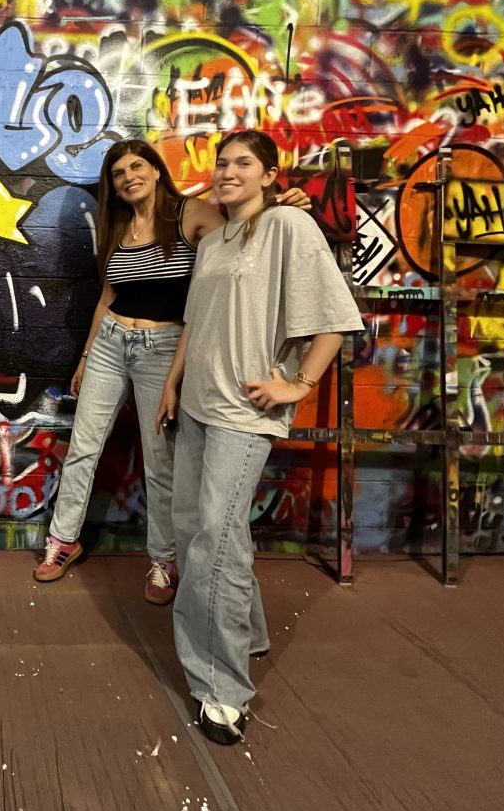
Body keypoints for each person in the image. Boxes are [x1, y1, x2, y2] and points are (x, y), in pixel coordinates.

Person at [33, 139, 310, 605]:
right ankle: (62, 542)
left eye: (136, 166)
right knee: (83, 445)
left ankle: (163, 561)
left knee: (159, 459)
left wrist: (280, 203)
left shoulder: (192, 214)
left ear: (157, 170)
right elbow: (108, 295)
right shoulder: (116, 225)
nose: (128, 177)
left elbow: (242, 239)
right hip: (110, 342)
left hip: (164, 347)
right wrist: (83, 357)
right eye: (119, 173)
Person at [156, 129, 362, 745]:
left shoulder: (288, 230)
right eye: (221, 163)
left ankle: (220, 688)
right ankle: (251, 634)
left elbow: (334, 318)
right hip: (196, 405)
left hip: (242, 417)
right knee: (202, 529)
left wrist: (298, 384)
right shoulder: (215, 239)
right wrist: (173, 382)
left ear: (271, 175)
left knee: (213, 544)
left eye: (244, 163)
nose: (228, 171)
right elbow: (195, 323)